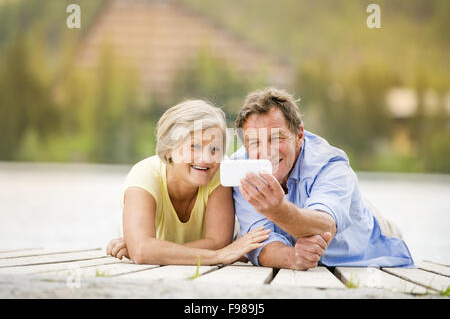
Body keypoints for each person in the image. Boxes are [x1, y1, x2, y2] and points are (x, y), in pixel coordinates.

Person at [232, 87, 414, 270]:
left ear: (299, 135)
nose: (266, 152)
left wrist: (277, 210)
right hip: (309, 228)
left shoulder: (331, 163)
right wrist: (293, 257)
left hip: (367, 241)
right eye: (255, 142)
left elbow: (325, 226)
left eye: (276, 137)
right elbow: (259, 241)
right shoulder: (240, 167)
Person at [106, 100, 270, 265]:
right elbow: (142, 251)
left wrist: (155, 251)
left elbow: (218, 242)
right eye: (194, 146)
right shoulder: (143, 175)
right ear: (169, 149)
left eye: (215, 149)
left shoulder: (219, 172)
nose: (206, 159)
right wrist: (218, 256)